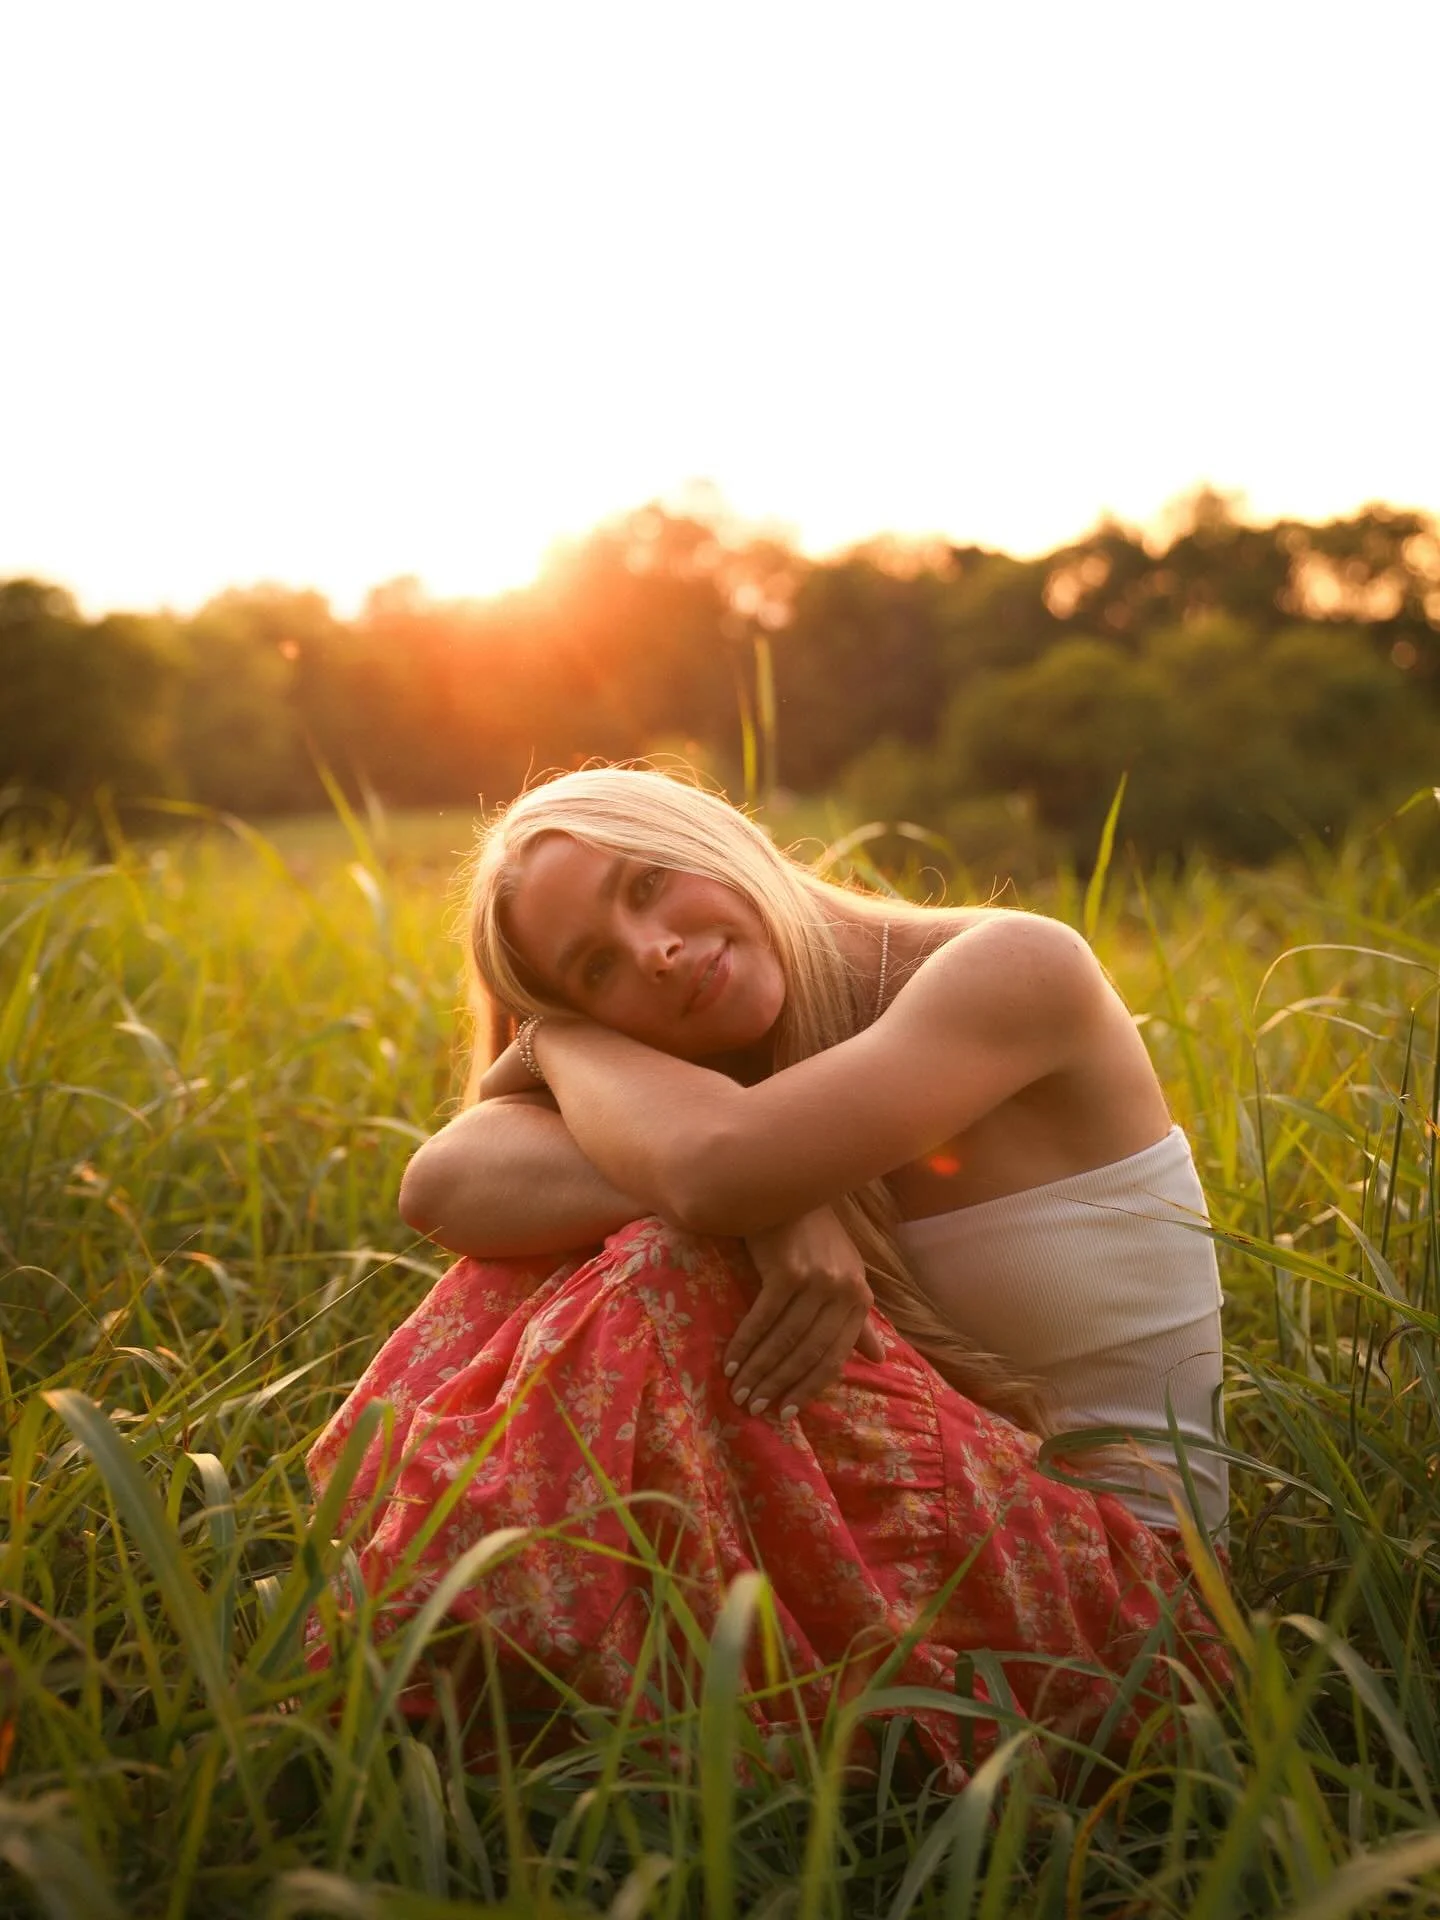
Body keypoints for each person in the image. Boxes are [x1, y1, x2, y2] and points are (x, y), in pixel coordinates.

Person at [307, 766, 1231, 1780]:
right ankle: (500, 1671)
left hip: (1137, 1605)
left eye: (648, 883)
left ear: (712, 836)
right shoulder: (717, 1073)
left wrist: (722, 1164)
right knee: (536, 1277)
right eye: (596, 970)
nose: (651, 951)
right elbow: (442, 1183)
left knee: (664, 1266)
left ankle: (489, 1680)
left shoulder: (1013, 968)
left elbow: (719, 1167)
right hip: (935, 1541)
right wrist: (572, 1043)